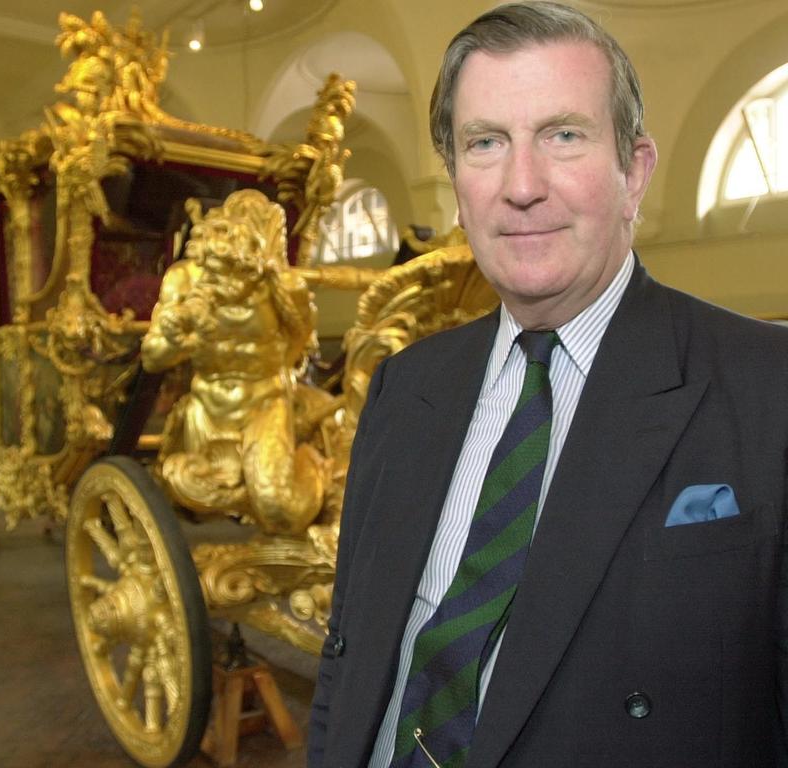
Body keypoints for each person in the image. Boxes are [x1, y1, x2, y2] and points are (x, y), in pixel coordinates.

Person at [307, 3, 788, 767]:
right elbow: (351, 656)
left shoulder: (769, 388)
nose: (521, 185)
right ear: (457, 180)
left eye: (563, 135)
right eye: (486, 143)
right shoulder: (406, 385)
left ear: (634, 173)